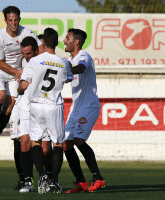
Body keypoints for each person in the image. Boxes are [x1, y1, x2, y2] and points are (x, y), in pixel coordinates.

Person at [0, 36, 52, 193]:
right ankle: (24, 180)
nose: (26, 55)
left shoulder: (46, 62)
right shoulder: (23, 60)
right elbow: (10, 76)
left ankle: (49, 179)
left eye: (40, 46)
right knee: (19, 141)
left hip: (40, 106)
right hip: (21, 105)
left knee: (44, 147)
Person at [18, 27, 73, 194]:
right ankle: (54, 181)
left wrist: (21, 89)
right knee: (57, 143)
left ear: (42, 42)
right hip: (54, 105)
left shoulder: (34, 61)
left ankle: (42, 174)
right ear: (56, 42)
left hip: (35, 105)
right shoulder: (64, 62)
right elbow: (68, 78)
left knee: (36, 141)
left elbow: (23, 86)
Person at [0, 6, 43, 157]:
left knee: (9, 109)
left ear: (19, 19)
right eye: (10, 20)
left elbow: (40, 49)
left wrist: (29, 67)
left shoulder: (26, 32)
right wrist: (17, 71)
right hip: (1, 70)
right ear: (5, 21)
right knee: (0, 96)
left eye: (16, 20)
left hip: (16, 73)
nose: (13, 23)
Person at [63, 28, 105, 193]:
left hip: (89, 106)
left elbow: (80, 69)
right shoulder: (68, 59)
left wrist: (65, 69)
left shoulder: (84, 56)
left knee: (78, 140)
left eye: (67, 38)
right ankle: (80, 181)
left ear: (76, 41)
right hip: (76, 108)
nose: (64, 41)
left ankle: (98, 177)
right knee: (66, 144)